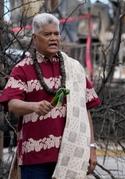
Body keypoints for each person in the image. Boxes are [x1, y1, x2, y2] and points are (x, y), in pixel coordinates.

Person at [0, 13, 101, 179]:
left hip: (71, 155)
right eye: (47, 34)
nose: (53, 38)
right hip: (35, 159)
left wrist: (91, 147)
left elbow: (86, 110)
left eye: (56, 34)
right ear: (34, 38)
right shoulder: (22, 69)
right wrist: (33, 106)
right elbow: (11, 103)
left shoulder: (74, 68)